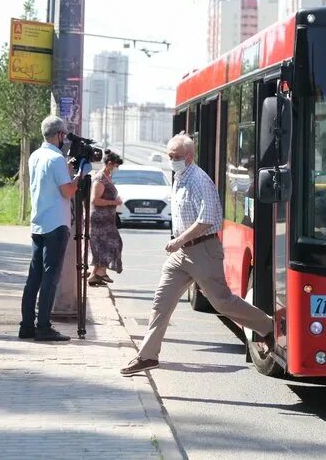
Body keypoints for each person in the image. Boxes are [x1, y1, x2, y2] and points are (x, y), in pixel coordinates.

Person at [120, 133, 274, 377]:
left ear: (189, 157)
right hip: (181, 253)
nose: (172, 160)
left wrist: (179, 239)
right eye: (169, 156)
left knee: (222, 302)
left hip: (202, 250)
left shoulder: (199, 180)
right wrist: (179, 242)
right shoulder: (179, 176)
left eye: (176, 156)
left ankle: (268, 326)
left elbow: (207, 219)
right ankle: (147, 355)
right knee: (162, 301)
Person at [19, 115, 81, 342]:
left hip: (38, 223)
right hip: (56, 223)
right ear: (58, 135)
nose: (65, 139)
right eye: (63, 134)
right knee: (50, 277)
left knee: (34, 277)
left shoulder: (35, 155)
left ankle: (26, 325)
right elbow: (67, 191)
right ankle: (43, 327)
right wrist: (78, 176)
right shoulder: (56, 159)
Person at [88, 150, 124, 286]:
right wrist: (113, 202)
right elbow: (95, 200)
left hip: (108, 219)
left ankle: (94, 275)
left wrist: (115, 200)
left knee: (105, 245)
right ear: (109, 164)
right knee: (110, 244)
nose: (116, 169)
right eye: (116, 166)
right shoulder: (100, 178)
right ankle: (100, 272)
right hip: (100, 219)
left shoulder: (107, 177)